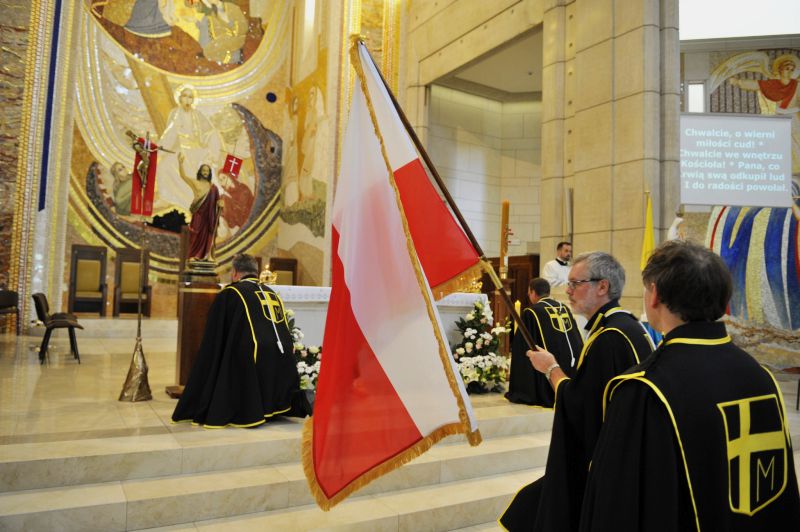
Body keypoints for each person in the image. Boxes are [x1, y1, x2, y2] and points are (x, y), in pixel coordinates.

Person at [579, 241, 800, 530]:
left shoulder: (644, 390)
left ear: (654, 294)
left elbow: (617, 505)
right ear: (723, 301)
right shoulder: (760, 376)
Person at [500, 251, 655, 531]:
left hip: (602, 464)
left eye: (575, 283)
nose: (568, 291)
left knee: (531, 510)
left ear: (603, 286)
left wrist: (550, 369)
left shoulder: (608, 338)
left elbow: (580, 405)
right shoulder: (628, 327)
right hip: (626, 454)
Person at [172, 253, 308, 427]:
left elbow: (215, 338)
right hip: (281, 358)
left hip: (252, 356)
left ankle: (252, 407)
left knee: (233, 352)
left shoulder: (231, 293)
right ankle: (272, 407)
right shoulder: (271, 292)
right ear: (256, 272)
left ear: (235, 272)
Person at [505, 278, 583, 407]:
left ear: (533, 292)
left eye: (529, 293)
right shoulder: (563, 308)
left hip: (550, 368)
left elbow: (522, 346)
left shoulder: (532, 311)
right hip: (571, 366)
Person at [178, 155, 222, 261]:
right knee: (195, 233)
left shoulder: (213, 187)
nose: (205, 172)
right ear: (200, 172)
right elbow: (183, 176)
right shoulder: (195, 182)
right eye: (204, 170)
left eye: (207, 171)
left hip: (209, 215)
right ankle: (193, 255)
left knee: (208, 234)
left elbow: (217, 202)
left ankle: (207, 255)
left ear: (209, 173)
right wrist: (180, 163)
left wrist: (220, 204)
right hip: (198, 213)